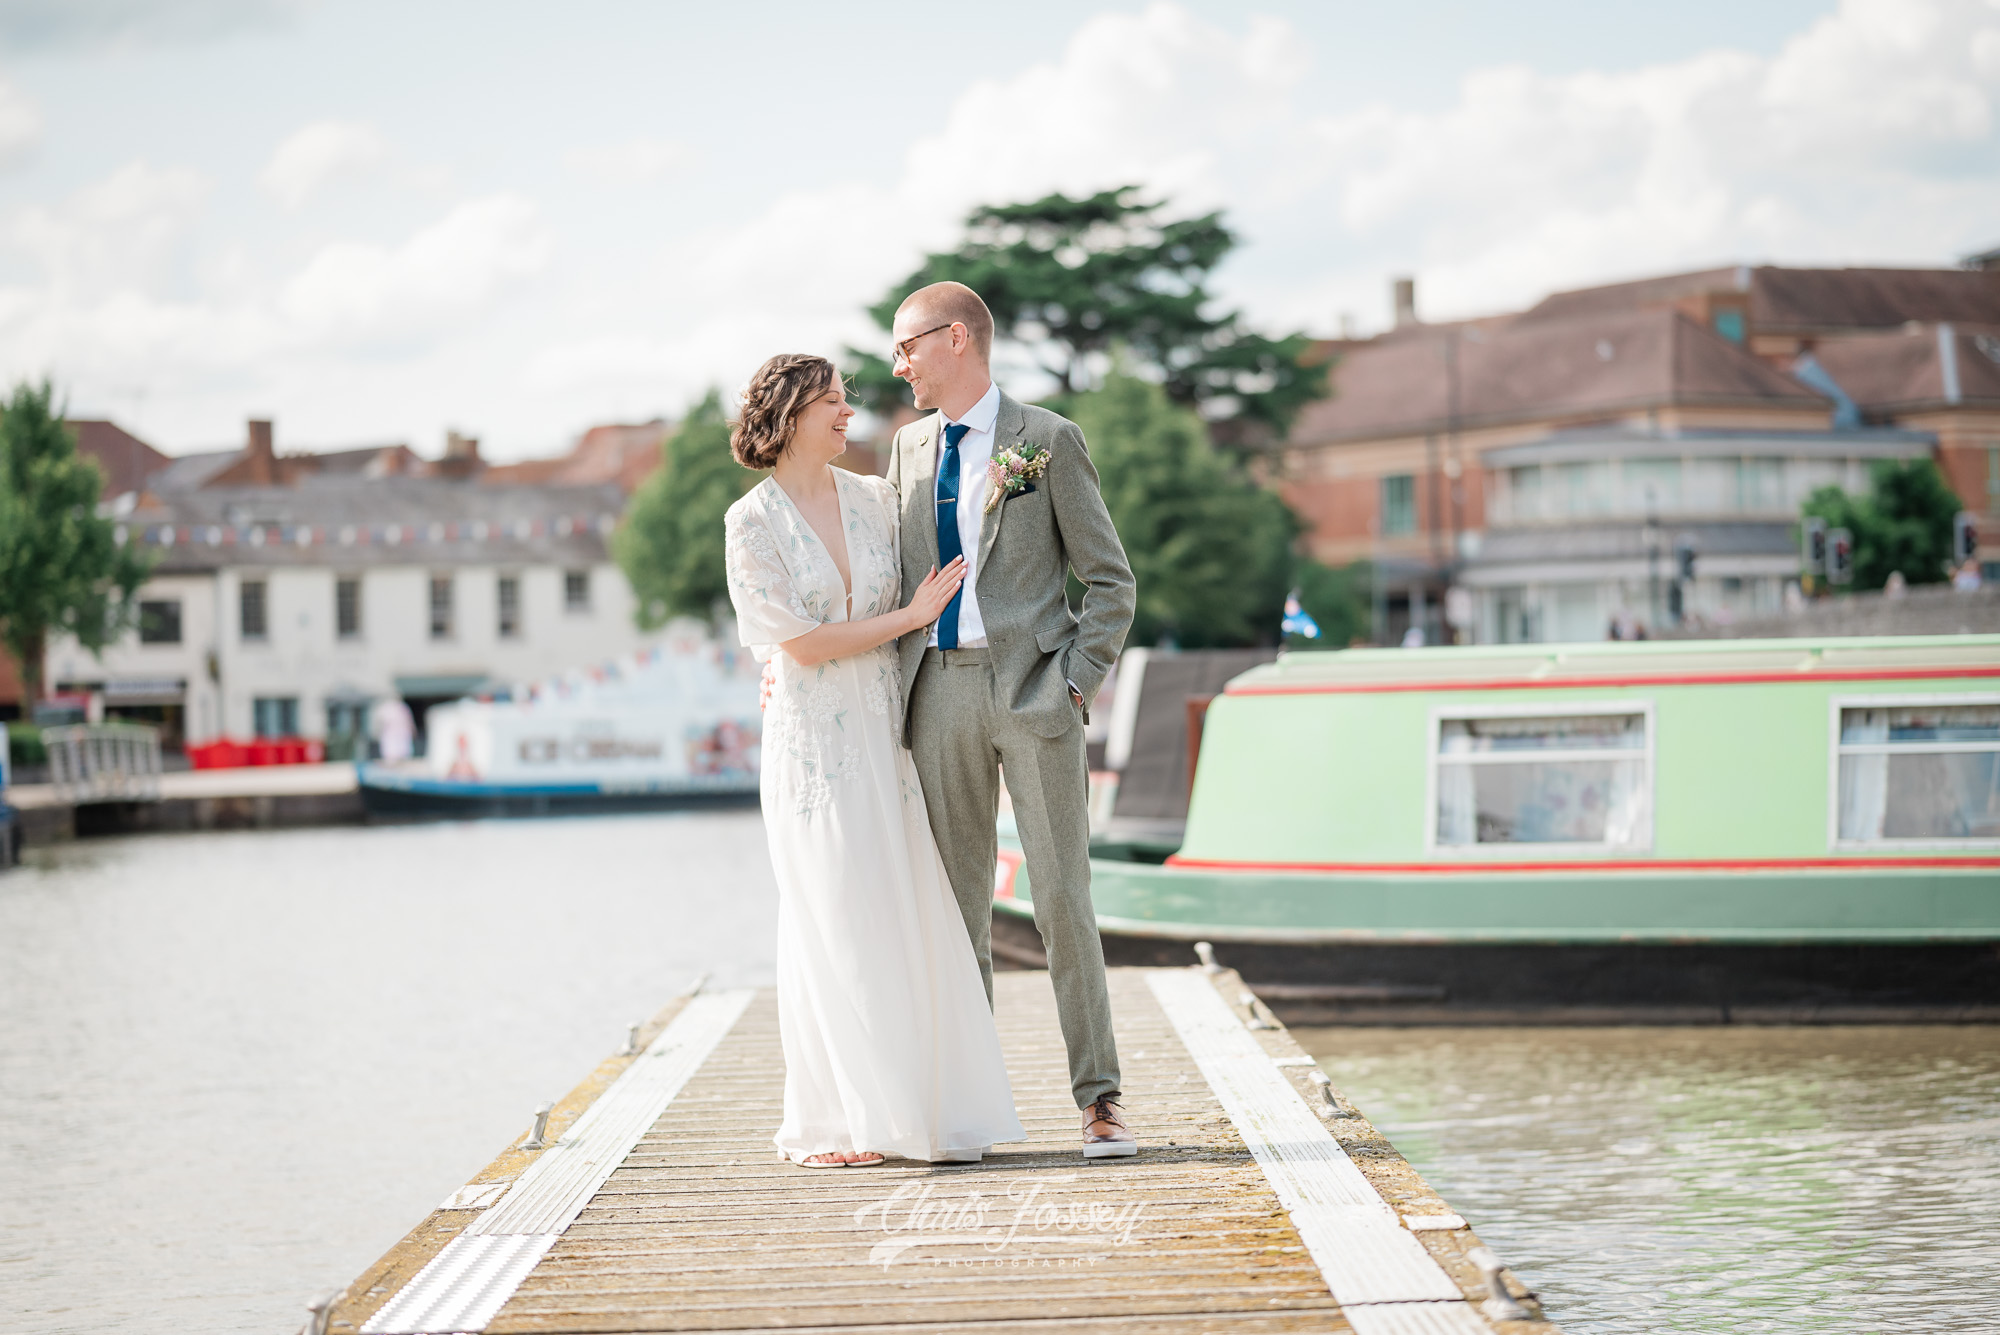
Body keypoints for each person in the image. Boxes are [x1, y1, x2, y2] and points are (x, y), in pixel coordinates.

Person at [723, 353, 1024, 1168]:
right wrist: (911, 615)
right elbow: (804, 644)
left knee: (901, 918)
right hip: (813, 752)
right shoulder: (749, 521)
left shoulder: (877, 499)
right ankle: (840, 1120)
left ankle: (925, 1110)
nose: (847, 413)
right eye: (832, 401)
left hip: (885, 738)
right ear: (789, 415)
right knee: (832, 924)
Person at [883, 282, 1140, 1158]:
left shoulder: (1048, 440)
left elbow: (1112, 580)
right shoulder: (907, 448)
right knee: (959, 913)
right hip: (939, 693)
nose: (898, 364)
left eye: (908, 345)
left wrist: (1077, 683)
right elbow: (892, 587)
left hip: (1035, 688)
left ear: (957, 338)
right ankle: (972, 1104)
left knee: (1063, 897)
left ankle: (1099, 1099)